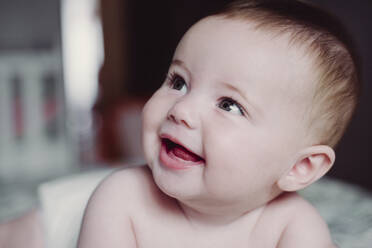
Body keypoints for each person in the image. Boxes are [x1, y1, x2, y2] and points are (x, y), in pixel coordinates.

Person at [77, 0, 360, 247]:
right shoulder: (122, 199)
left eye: (228, 105)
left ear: (300, 168)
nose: (182, 109)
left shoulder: (292, 226)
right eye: (179, 82)